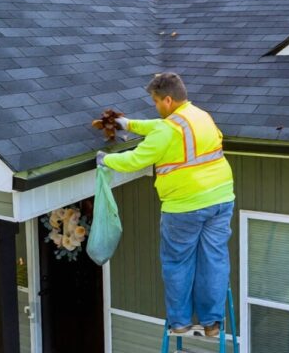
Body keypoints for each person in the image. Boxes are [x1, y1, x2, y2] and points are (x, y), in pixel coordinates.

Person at [96, 72, 234, 336]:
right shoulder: (201, 115)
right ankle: (212, 324)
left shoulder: (167, 129)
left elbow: (135, 160)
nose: (156, 107)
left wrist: (106, 160)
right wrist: (129, 124)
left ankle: (180, 322)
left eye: (156, 102)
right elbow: (162, 127)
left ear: (168, 100)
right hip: (221, 198)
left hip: (184, 206)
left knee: (178, 263)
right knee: (214, 259)